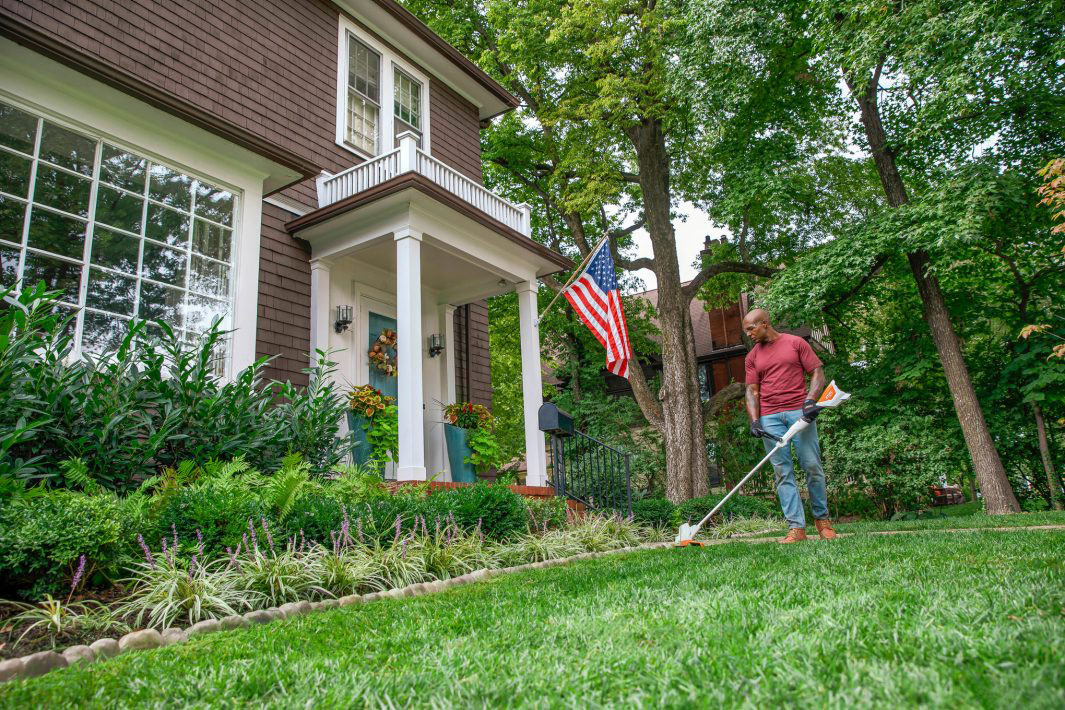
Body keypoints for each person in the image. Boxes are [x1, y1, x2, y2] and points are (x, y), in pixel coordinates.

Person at [742, 308, 837, 543]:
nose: (749, 334)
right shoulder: (752, 356)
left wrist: (809, 402)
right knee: (782, 472)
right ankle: (796, 528)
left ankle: (822, 521)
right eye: (746, 331)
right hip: (770, 418)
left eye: (751, 328)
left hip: (799, 413)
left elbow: (816, 373)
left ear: (765, 323)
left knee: (812, 466)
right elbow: (752, 391)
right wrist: (755, 421)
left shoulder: (795, 343)